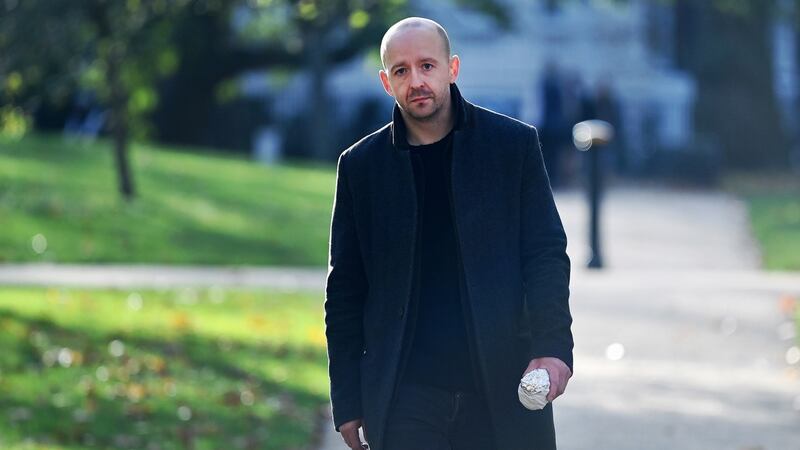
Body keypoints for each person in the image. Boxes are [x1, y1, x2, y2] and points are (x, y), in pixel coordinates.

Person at [325, 17, 574, 450]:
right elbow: (345, 289)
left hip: (501, 385)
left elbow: (546, 255)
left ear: (452, 69)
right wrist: (347, 397)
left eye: (427, 65)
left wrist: (552, 347)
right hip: (404, 395)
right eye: (401, 71)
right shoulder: (361, 167)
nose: (416, 80)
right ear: (386, 82)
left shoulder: (512, 146)